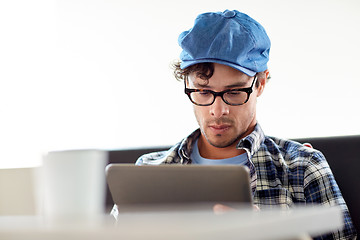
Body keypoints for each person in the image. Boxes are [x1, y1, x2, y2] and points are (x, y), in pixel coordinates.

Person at [123, 10, 357, 239]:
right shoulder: (148, 171)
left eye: (234, 92)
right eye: (203, 91)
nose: (217, 110)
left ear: (261, 83)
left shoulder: (302, 167)